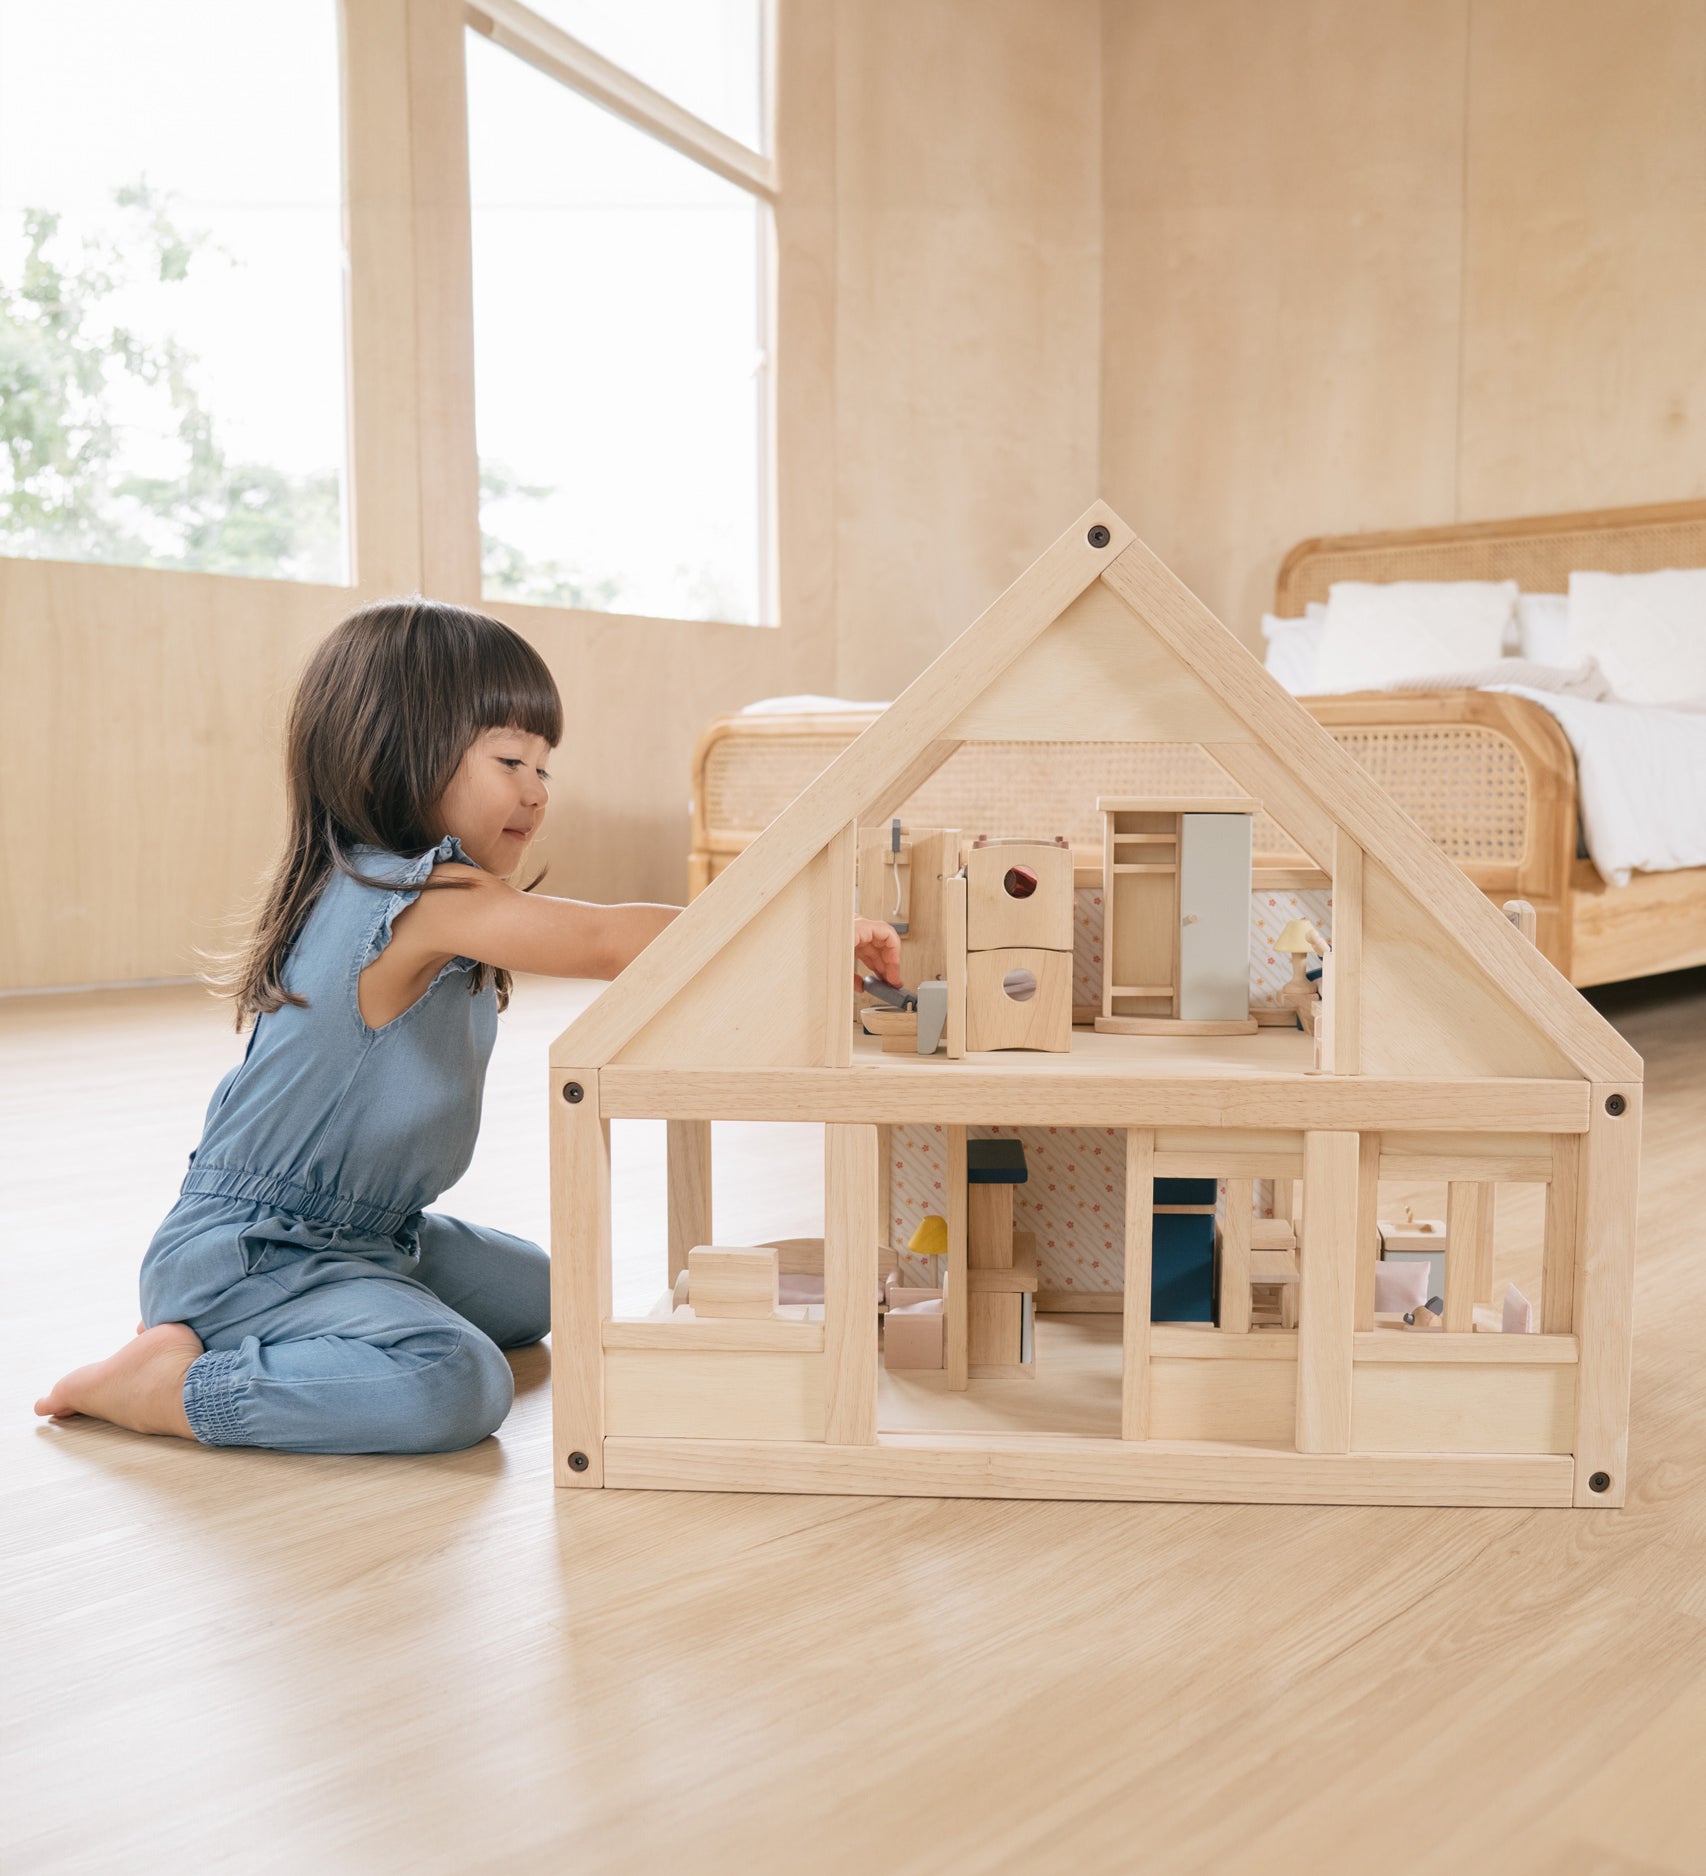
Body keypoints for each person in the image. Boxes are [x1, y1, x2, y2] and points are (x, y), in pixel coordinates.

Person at [35, 599, 901, 1454]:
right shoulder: (415, 899)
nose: (536, 791)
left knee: (542, 1293)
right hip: (257, 1252)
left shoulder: (425, 895)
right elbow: (604, 939)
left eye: (545, 769)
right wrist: (804, 930)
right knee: (457, 1379)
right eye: (511, 760)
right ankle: (173, 1388)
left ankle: (334, 1321)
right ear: (399, 753)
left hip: (374, 1230)